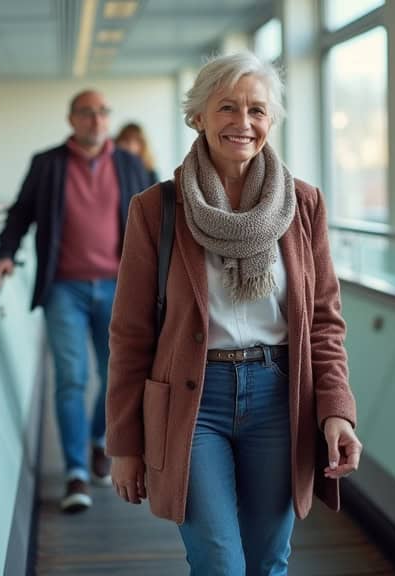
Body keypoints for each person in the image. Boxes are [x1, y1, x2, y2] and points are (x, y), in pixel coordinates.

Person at [105, 52, 362, 575]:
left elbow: (324, 322)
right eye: (226, 108)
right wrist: (125, 444)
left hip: (280, 396)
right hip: (192, 401)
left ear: (271, 121)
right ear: (198, 115)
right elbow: (131, 335)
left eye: (257, 111)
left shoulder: (304, 206)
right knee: (218, 562)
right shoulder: (156, 210)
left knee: (269, 560)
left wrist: (336, 409)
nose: (242, 123)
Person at [0, 89, 151, 513]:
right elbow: (20, 214)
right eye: (87, 113)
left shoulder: (130, 165)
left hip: (120, 287)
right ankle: (76, 472)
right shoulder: (48, 165)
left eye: (103, 112)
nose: (96, 120)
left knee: (117, 375)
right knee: (71, 377)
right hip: (64, 287)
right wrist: (6, 254)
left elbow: (159, 222)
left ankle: (100, 438)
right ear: (71, 119)